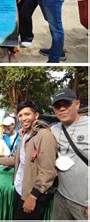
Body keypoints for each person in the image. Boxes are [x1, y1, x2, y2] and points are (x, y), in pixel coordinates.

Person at [0, 101, 58, 219]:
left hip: (32, 194)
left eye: (27, 114)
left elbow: (48, 171)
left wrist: (33, 197)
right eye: (20, 115)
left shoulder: (44, 135)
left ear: (36, 115)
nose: (23, 118)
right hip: (20, 190)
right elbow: (17, 159)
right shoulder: (25, 135)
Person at [50, 88, 88, 220]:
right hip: (60, 197)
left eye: (66, 104)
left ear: (77, 104)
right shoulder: (54, 129)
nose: (62, 109)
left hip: (84, 204)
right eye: (57, 106)